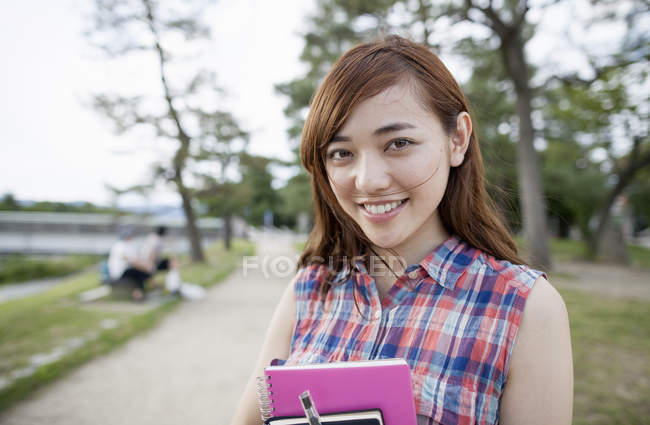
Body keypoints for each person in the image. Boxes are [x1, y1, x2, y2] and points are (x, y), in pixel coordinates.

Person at [231, 35, 573, 425]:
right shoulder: (309, 290)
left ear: (457, 139)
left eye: (398, 143)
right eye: (342, 153)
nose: (369, 180)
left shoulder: (526, 307)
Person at [107, 226, 156, 301]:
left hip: (128, 270)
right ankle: (148, 290)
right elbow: (131, 261)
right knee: (140, 273)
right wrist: (145, 268)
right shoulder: (119, 246)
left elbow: (136, 259)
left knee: (140, 275)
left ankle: (139, 295)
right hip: (119, 272)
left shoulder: (129, 245)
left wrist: (146, 266)